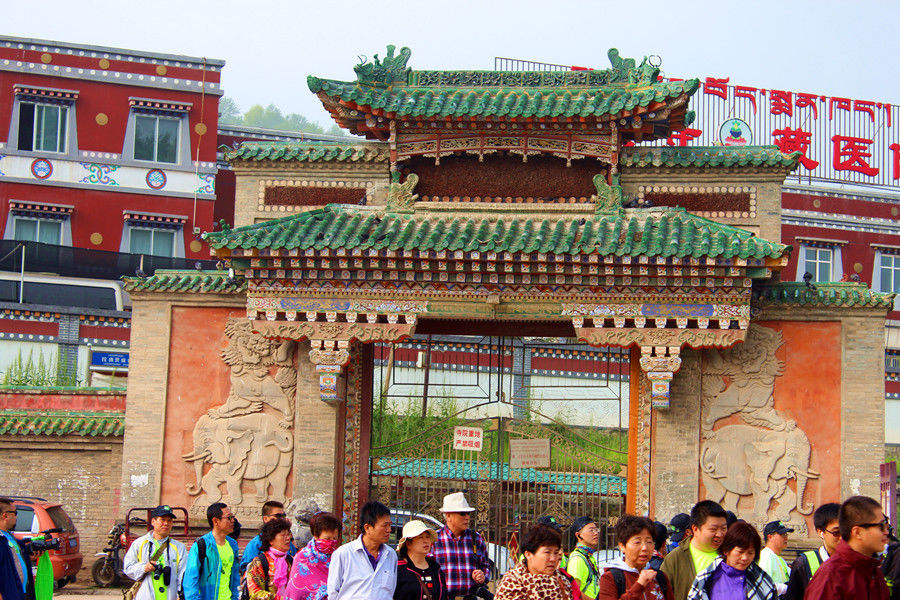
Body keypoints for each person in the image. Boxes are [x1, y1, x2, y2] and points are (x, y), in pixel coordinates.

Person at [803, 495, 889, 600]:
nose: (886, 532)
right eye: (880, 526)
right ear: (857, 532)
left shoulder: (874, 572)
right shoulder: (831, 576)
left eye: (886, 525)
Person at [686, 521, 777, 600]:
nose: (745, 557)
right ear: (726, 550)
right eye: (740, 552)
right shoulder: (705, 579)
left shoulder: (763, 581)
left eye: (750, 553)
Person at [327, 500, 397, 600]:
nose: (389, 530)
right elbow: (333, 593)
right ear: (367, 527)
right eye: (385, 525)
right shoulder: (344, 554)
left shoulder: (391, 555)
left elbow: (391, 591)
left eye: (390, 525)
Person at [660, 501, 728, 600]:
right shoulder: (675, 559)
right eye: (713, 529)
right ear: (695, 529)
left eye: (724, 528)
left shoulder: (731, 556)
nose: (720, 534)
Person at [431, 492, 493, 598]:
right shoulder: (434, 539)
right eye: (462, 513)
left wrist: (483, 576)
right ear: (448, 515)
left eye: (468, 513)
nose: (467, 517)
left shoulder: (476, 538)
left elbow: (486, 566)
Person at [597, 515, 673, 600]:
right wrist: (639, 586)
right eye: (637, 542)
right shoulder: (610, 578)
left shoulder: (659, 577)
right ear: (622, 546)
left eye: (649, 542)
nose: (644, 548)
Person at [122, 505, 188, 600]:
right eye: (162, 520)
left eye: (169, 521)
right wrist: (144, 568)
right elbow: (128, 568)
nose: (166, 523)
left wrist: (181, 595)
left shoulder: (179, 547)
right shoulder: (139, 544)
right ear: (153, 521)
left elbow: (183, 574)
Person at [495, 523, 576, 600]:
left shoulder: (563, 582)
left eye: (556, 553)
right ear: (528, 554)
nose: (553, 559)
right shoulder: (512, 583)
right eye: (547, 552)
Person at [183, 502, 241, 600]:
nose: (233, 521)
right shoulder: (201, 545)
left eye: (233, 517)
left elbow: (235, 576)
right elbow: (190, 580)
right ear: (215, 521)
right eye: (229, 517)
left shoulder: (232, 545)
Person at [784, 503, 839, 600]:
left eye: (846, 531)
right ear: (820, 532)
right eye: (836, 532)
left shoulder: (856, 562)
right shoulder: (803, 563)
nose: (842, 537)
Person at [285, 511, 342, 600]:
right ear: (316, 536)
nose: (331, 542)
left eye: (334, 538)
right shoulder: (302, 557)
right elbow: (295, 591)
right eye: (327, 538)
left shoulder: (340, 556)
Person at [395, 519, 449, 600]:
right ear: (408, 543)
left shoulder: (435, 568)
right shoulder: (398, 568)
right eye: (420, 537)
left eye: (427, 537)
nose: (426, 541)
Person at [245, 518, 294, 600]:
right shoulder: (259, 562)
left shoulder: (291, 560)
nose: (288, 538)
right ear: (271, 539)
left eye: (288, 534)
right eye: (283, 535)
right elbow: (254, 592)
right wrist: (279, 598)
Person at [242, 501, 298, 572]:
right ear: (265, 519)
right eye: (278, 516)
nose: (282, 519)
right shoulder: (255, 544)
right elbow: (247, 570)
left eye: (283, 516)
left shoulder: (288, 543)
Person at [0, 497, 34, 600]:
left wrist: (29, 557)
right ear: (5, 515)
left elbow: (11, 561)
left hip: (21, 593)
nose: (16, 517)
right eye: (15, 513)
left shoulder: (9, 537)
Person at [567, 516, 602, 600]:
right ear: (578, 535)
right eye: (591, 530)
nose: (595, 533)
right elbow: (574, 591)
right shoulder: (577, 559)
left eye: (596, 529)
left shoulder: (588, 556)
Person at [758, 521, 792, 596]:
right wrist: (787, 588)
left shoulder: (778, 558)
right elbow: (764, 585)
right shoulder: (766, 556)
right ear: (770, 537)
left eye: (786, 534)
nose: (786, 537)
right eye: (782, 535)